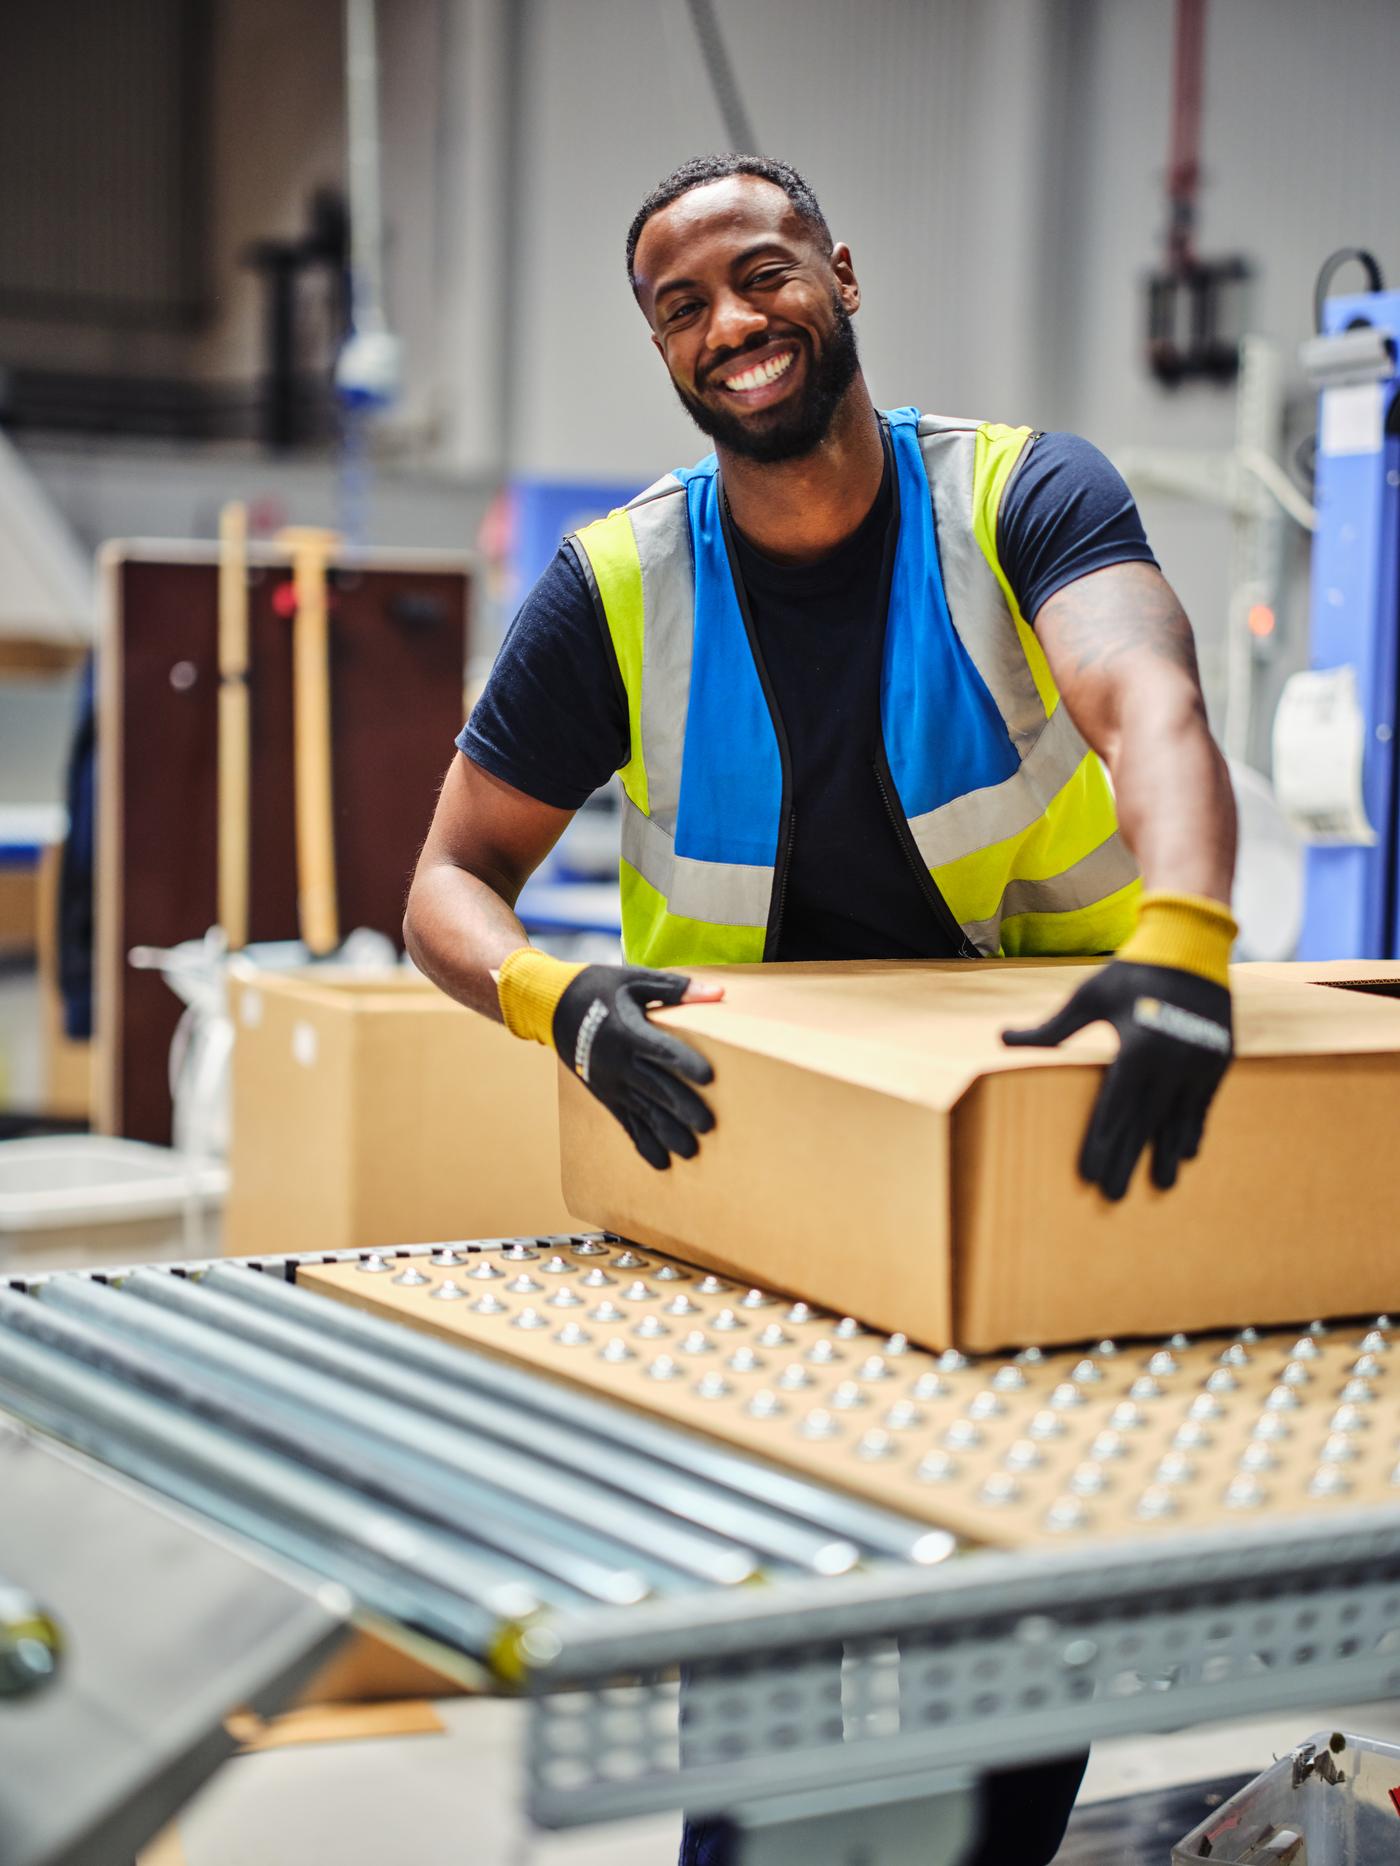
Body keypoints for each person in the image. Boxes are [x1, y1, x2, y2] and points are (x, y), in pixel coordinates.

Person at [404, 151, 1239, 1864]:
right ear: (661, 347)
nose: (735, 322)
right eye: (684, 304)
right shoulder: (617, 583)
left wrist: (1188, 944)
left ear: (842, 277)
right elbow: (442, 885)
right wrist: (558, 1004)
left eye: (765, 274)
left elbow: (1147, 696)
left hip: (1029, 1124)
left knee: (1020, 1645)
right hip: (745, 1155)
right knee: (762, 1666)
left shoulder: (1020, 495)